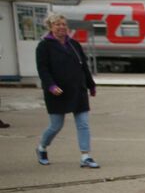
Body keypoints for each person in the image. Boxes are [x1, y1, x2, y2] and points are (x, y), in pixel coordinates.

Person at [35, 12, 99, 169]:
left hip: (77, 89)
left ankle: (86, 156)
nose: (62, 27)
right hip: (57, 91)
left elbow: (83, 66)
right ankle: (42, 147)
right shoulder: (44, 46)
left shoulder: (74, 44)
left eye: (64, 24)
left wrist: (91, 85)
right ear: (50, 27)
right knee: (56, 125)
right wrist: (50, 85)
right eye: (57, 24)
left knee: (83, 124)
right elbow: (43, 69)